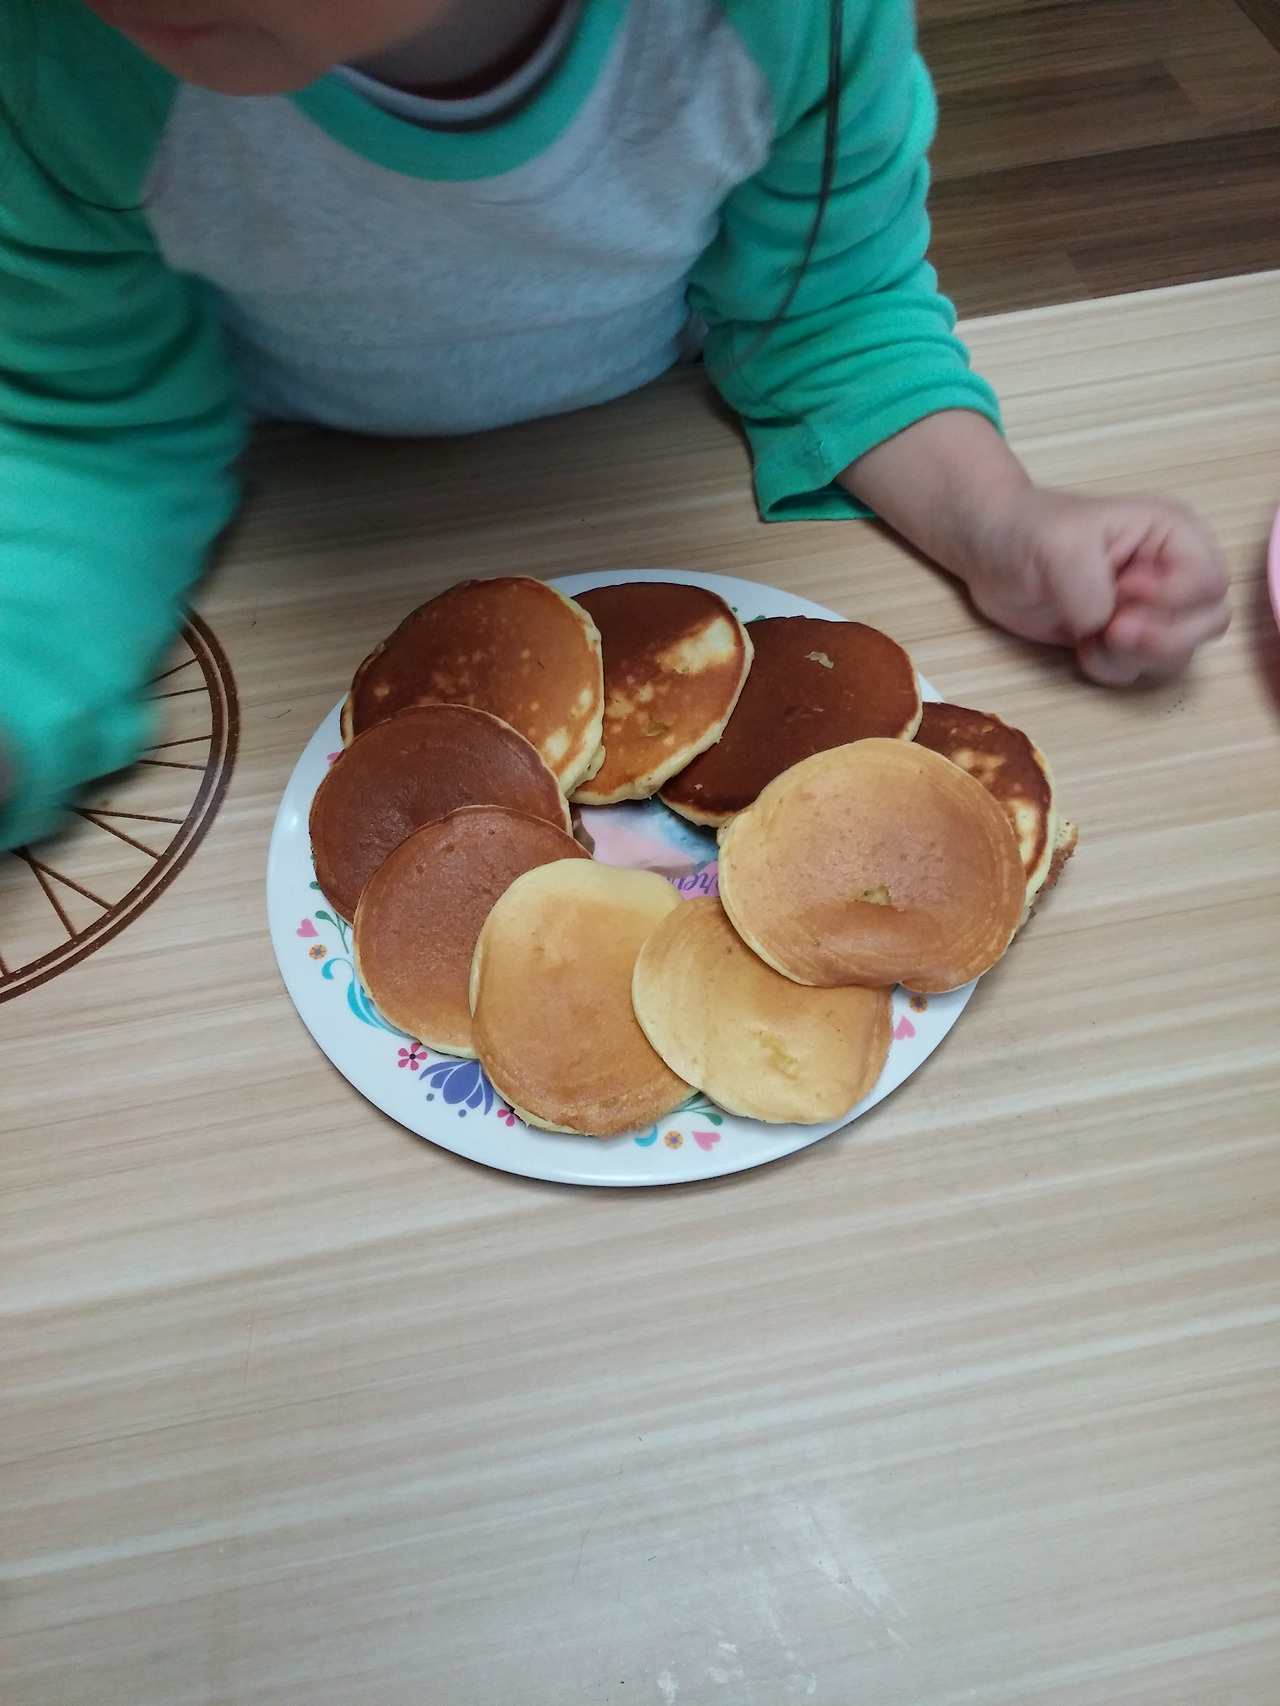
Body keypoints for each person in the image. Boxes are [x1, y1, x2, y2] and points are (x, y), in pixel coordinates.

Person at [0, 0, 1231, 851]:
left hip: (656, 449)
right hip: (294, 500)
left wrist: (996, 514)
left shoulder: (788, 26)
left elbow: (830, 313)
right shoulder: (57, 55)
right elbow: (83, 418)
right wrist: (24, 680)